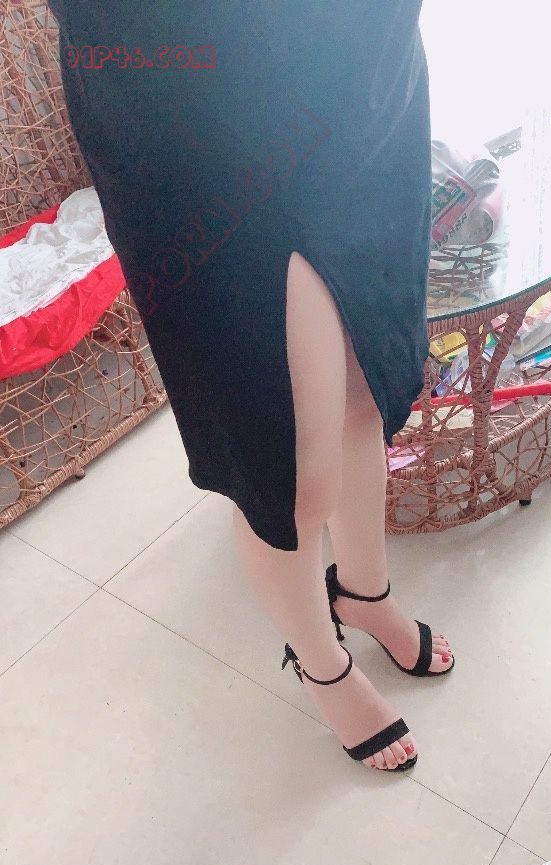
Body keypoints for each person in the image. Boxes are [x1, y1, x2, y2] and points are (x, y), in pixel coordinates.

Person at [49, 0, 454, 773]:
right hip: (198, 104)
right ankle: (320, 663)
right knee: (283, 461)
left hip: (364, 70)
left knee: (367, 389)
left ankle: (365, 592)